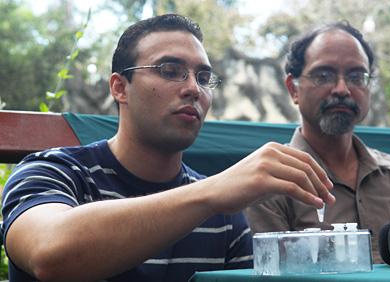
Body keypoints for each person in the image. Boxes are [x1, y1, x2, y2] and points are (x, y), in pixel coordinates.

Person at [1, 14, 335, 282]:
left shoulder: (224, 218)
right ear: (120, 87)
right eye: (170, 71)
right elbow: (48, 256)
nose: (193, 88)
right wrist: (211, 192)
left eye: (204, 78)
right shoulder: (52, 171)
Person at [244, 21, 390, 264]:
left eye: (356, 76)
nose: (342, 89)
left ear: (369, 85)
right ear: (293, 89)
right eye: (324, 76)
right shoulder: (270, 183)